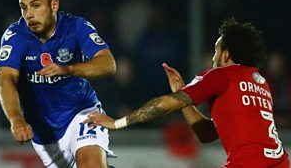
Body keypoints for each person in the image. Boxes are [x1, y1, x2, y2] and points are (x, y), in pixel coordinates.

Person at [84, 18, 290, 167]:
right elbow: (207, 134)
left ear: (226, 55)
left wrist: (117, 122)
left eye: (216, 52)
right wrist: (183, 96)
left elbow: (164, 105)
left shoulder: (222, 75)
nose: (212, 59)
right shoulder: (261, 84)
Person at [0, 0, 116, 168]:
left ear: (54, 5)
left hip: (82, 113)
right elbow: (5, 79)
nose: (29, 14)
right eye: (23, 8)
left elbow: (108, 64)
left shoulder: (76, 27)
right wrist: (16, 119)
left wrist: (69, 69)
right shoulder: (15, 35)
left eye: (36, 6)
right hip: (45, 133)